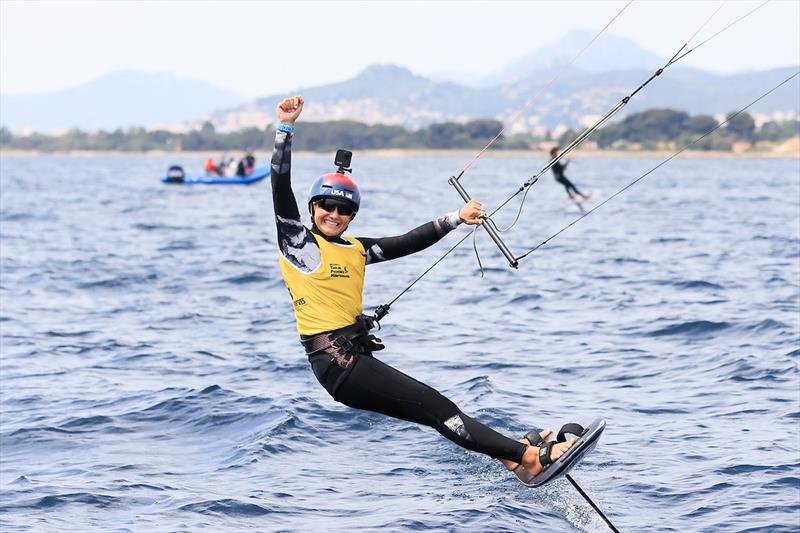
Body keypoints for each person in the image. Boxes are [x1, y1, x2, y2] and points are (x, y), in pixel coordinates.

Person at [271, 95, 575, 484]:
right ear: (312, 208)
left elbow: (406, 241)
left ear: (352, 216)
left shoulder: (355, 249)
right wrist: (285, 128)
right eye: (325, 205)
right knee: (437, 407)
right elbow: (281, 187)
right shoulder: (301, 246)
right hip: (339, 366)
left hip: (351, 363)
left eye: (343, 209)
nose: (334, 214)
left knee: (436, 410)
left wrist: (456, 218)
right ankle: (526, 457)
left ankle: (512, 458)